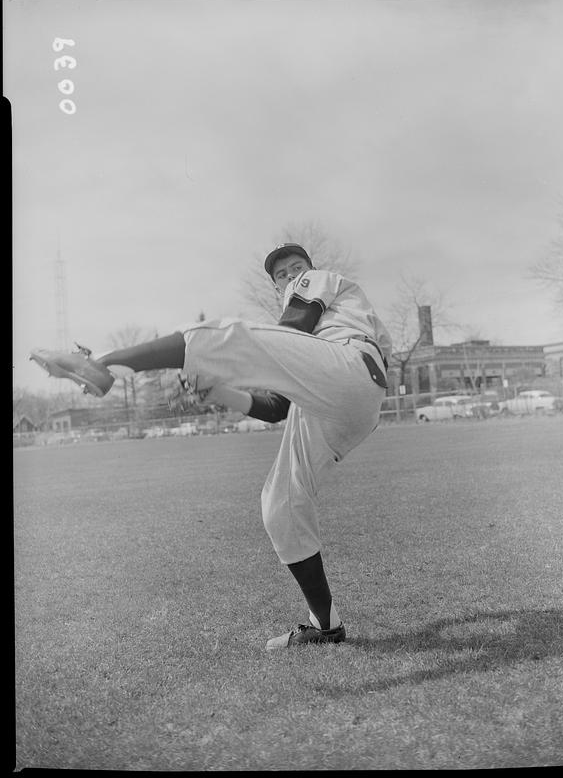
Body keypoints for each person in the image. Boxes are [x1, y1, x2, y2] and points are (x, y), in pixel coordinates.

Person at [30, 243, 392, 650]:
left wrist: (210, 359)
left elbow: (285, 332)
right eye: (281, 274)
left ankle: (104, 363)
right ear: (276, 288)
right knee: (280, 505)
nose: (290, 275)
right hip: (344, 403)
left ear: (310, 271)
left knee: (223, 335)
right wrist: (217, 389)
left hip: (349, 367)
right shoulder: (310, 333)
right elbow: (276, 408)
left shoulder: (320, 283)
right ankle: (326, 623)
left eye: (296, 267)